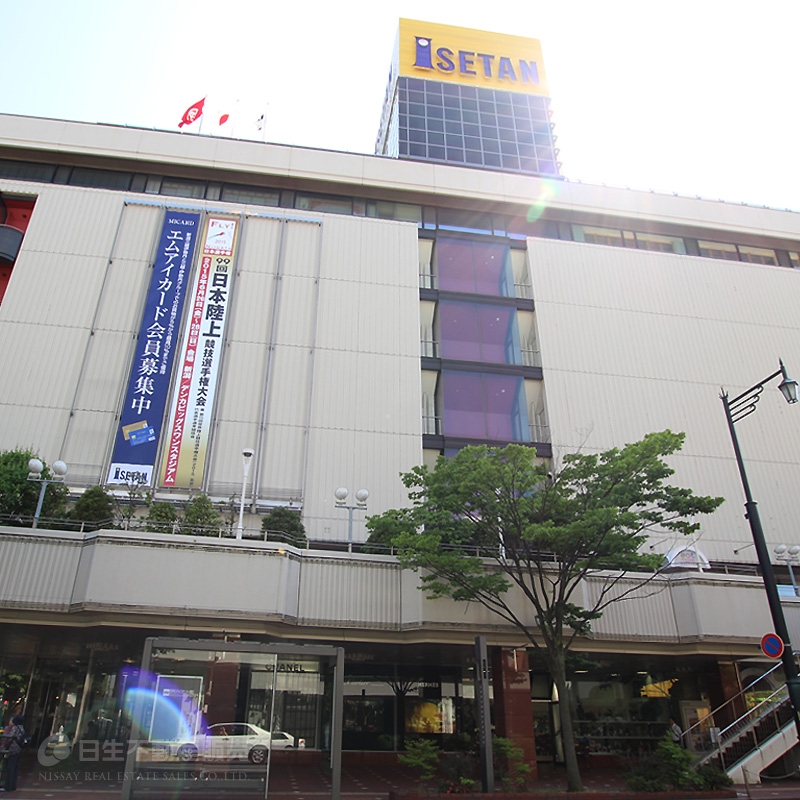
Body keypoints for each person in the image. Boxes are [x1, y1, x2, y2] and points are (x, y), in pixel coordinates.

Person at [0, 714, 27, 792]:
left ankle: (8, 786)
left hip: (13, 749)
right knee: (15, 768)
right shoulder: (22, 728)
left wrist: (5, 745)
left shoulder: (15, 728)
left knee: (10, 768)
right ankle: (13, 785)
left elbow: (10, 738)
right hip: (19, 750)